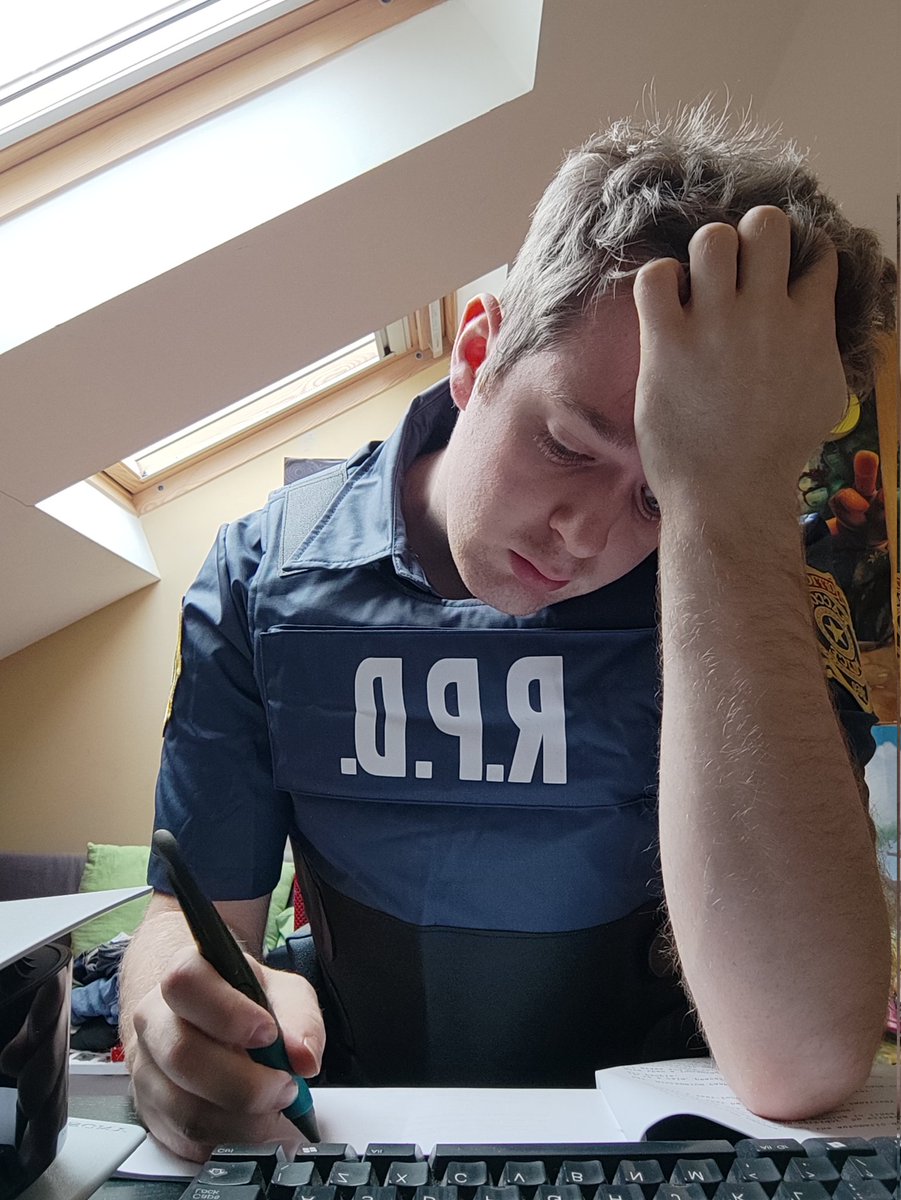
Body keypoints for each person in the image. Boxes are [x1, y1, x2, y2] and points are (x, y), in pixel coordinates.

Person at [119, 104, 896, 1162]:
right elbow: (189, 917)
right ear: (477, 351)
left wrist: (726, 500)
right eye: (570, 444)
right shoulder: (262, 576)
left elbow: (800, 1059)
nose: (585, 535)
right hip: (355, 1141)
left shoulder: (757, 590)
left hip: (662, 1159)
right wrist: (167, 1010)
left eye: (656, 495)